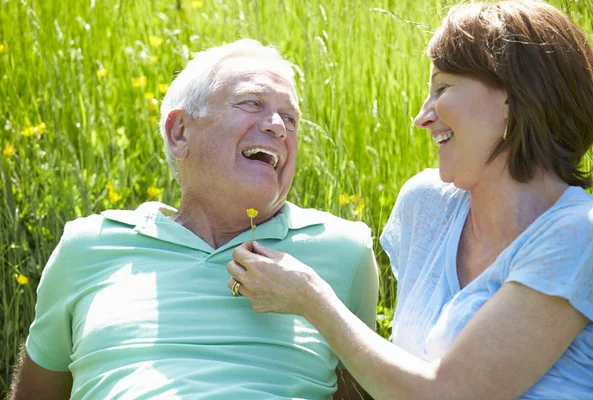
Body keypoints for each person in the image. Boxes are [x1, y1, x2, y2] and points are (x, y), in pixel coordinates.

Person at [227, 2, 593, 399]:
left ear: (515, 96)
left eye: (442, 88)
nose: (421, 117)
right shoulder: (426, 207)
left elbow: (450, 393)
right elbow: (393, 369)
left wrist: (311, 299)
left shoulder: (581, 234)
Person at [9, 39, 379, 400]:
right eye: (252, 102)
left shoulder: (343, 249)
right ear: (180, 133)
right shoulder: (87, 246)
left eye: (291, 118)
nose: (279, 127)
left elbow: (357, 393)